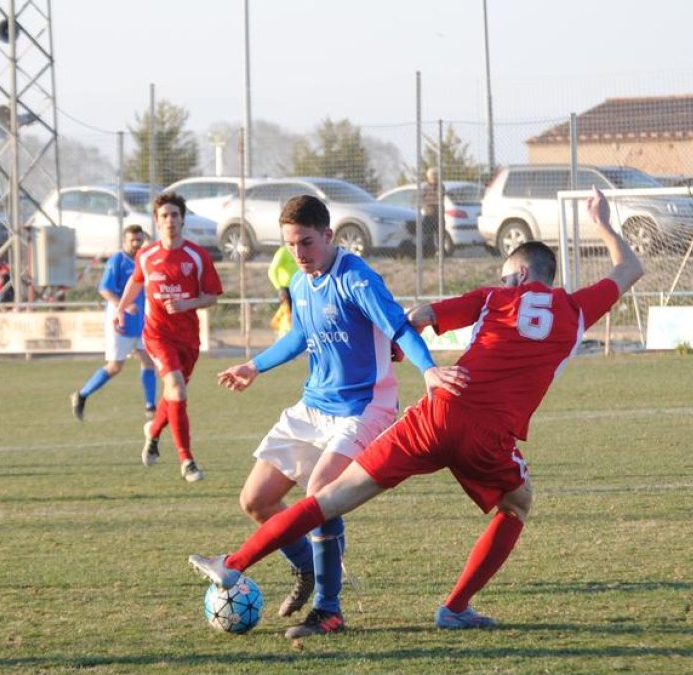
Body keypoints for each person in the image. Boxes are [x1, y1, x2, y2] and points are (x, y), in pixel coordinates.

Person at [189, 186, 644, 632]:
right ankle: (455, 607)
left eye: (507, 276)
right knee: (517, 505)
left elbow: (418, 316)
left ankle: (235, 562)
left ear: (521, 275)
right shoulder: (577, 308)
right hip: (487, 436)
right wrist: (602, 223)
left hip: (435, 412)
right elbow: (630, 268)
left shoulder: (490, 297)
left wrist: (409, 353)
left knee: (326, 498)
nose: (504, 282)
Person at [216, 194, 460, 638]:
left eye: (306, 243)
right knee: (256, 501)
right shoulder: (301, 280)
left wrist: (428, 370)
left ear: (328, 235)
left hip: (364, 406)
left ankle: (329, 609)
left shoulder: (357, 278)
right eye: (290, 245)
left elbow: (399, 328)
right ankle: (309, 570)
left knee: (321, 491)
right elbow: (299, 336)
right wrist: (254, 366)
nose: (298, 254)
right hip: (314, 405)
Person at [114, 191, 223, 483]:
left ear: (183, 220)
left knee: (173, 394)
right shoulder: (146, 255)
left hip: (188, 339)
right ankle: (186, 460)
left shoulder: (197, 256)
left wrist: (188, 304)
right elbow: (136, 282)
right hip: (157, 335)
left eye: (175, 215)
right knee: (176, 388)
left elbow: (211, 296)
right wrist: (121, 309)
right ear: (156, 220)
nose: (170, 220)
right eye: (164, 215)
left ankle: (153, 432)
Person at [71, 225, 158, 422]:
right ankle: (82, 395)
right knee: (115, 366)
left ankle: (150, 406)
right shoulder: (117, 261)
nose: (136, 243)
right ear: (124, 242)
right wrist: (124, 306)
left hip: (142, 322)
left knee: (148, 361)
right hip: (120, 322)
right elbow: (105, 289)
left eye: (139, 240)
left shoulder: (144, 260)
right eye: (132, 240)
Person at [267, 244, 298, 338]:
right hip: (286, 289)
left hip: (298, 288)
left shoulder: (300, 250)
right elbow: (272, 271)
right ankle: (283, 337)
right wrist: (279, 288)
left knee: (297, 316)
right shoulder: (283, 251)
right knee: (287, 315)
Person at [418, 167, 442, 257]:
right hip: (428, 214)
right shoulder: (425, 188)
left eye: (435, 176)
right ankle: (428, 252)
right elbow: (422, 199)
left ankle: (439, 252)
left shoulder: (440, 187)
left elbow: (438, 198)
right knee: (427, 234)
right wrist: (425, 205)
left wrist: (431, 201)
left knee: (439, 234)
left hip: (438, 214)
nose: (434, 178)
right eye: (432, 176)